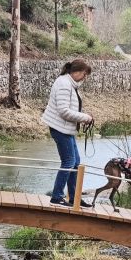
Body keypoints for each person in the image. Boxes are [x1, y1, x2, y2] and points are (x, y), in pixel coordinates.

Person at [42, 59, 94, 206]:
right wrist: (84, 117)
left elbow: (69, 108)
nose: (85, 78)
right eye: (84, 74)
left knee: (75, 162)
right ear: (77, 71)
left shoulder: (70, 83)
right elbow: (64, 111)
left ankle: (74, 197)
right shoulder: (64, 84)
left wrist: (83, 116)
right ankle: (56, 197)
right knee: (69, 162)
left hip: (66, 129)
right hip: (60, 129)